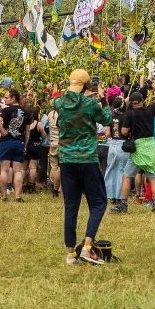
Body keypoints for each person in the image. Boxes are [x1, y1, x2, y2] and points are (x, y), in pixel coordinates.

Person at [55, 69, 112, 264]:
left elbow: (62, 99)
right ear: (88, 85)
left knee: (71, 205)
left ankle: (71, 253)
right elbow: (106, 120)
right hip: (87, 159)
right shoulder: (90, 104)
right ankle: (87, 247)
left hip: (66, 160)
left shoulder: (59, 102)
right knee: (98, 203)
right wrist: (103, 100)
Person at [120, 80, 155, 214]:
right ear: (143, 100)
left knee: (127, 177)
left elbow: (124, 131)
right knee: (152, 177)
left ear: (131, 102)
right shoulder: (150, 110)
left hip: (138, 148)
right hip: (151, 147)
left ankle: (123, 204)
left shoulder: (131, 114)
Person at [0, 88, 29, 202]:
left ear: (13, 98)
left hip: (6, 141)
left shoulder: (6, 111)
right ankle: (17, 196)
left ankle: (4, 196)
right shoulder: (25, 112)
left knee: (4, 170)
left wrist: (3, 131)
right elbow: (27, 130)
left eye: (6, 97)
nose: (4, 100)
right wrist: (25, 143)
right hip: (19, 141)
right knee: (18, 171)